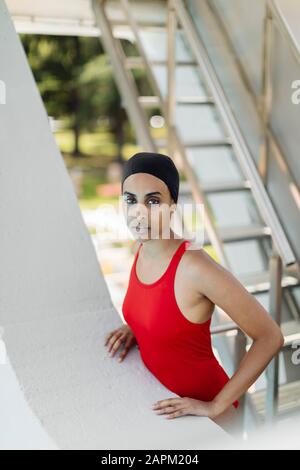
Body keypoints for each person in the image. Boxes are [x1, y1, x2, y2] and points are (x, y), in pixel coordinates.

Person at [104, 151, 284, 437]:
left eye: (153, 201)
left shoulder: (196, 266)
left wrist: (215, 405)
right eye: (131, 200)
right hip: (168, 412)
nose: (140, 213)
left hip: (212, 422)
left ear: (172, 206)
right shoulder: (142, 250)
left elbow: (270, 337)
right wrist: (136, 327)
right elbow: (162, 312)